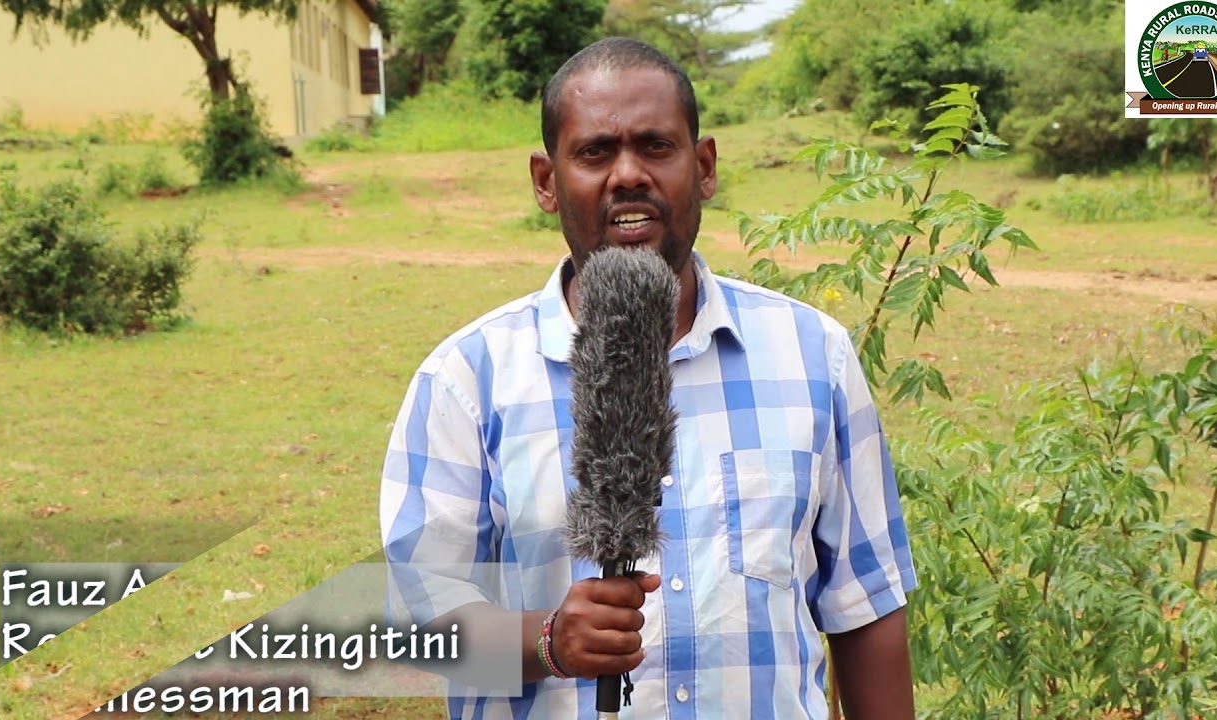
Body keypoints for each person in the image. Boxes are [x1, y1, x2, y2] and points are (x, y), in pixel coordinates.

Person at [379, 37, 918, 719]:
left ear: (704, 167)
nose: (628, 174)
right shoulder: (465, 383)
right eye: (595, 152)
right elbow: (422, 625)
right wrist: (547, 641)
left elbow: (865, 607)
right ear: (547, 181)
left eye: (656, 147)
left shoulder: (815, 357)